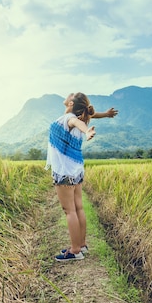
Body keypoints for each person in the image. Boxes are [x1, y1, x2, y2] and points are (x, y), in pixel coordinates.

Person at [46, 92, 118, 262]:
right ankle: (82, 244)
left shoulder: (69, 119)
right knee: (78, 208)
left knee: (69, 210)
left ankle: (75, 250)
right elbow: (90, 115)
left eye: (69, 95)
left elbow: (77, 122)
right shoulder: (82, 117)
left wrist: (87, 132)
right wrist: (106, 115)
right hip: (76, 169)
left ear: (70, 103)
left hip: (64, 171)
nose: (67, 95)